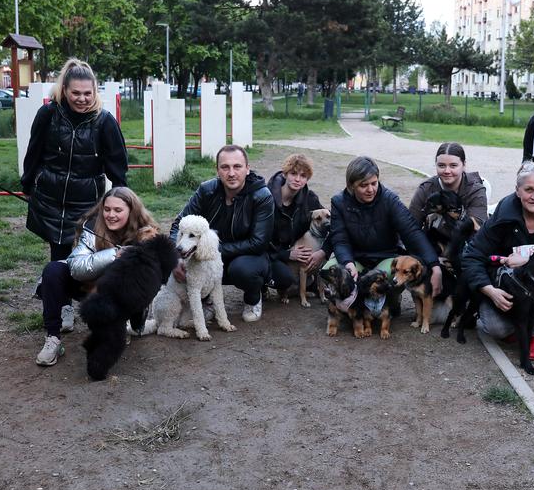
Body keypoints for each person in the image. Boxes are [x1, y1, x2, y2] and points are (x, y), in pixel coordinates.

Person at [22, 57, 128, 332]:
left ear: (95, 91)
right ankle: (62, 306)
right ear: (64, 90)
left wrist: (121, 199)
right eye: (76, 93)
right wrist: (28, 185)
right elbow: (34, 152)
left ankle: (90, 302)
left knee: (81, 254)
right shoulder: (48, 114)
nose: (82, 99)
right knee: (58, 252)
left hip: (86, 201)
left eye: (87, 93)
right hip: (51, 196)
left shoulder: (104, 121)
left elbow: (117, 165)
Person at [461, 162, 534, 362]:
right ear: (518, 191)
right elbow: (472, 255)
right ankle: (517, 328)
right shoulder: (503, 214)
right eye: (528, 190)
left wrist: (528, 260)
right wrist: (488, 290)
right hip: (504, 286)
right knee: (495, 329)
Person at [35, 187, 158, 366]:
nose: (111, 215)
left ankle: (125, 322)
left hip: (125, 293)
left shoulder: (146, 233)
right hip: (90, 285)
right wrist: (114, 254)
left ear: (131, 211)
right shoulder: (92, 227)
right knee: (53, 270)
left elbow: (154, 275)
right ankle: (53, 338)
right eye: (107, 209)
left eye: (118, 210)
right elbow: (76, 267)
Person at [171, 145, 274, 322]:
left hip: (248, 256)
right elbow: (178, 225)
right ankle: (207, 301)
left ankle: (253, 298)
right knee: (178, 262)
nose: (231, 173)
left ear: (247, 169)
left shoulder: (262, 196)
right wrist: (175, 257)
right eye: (225, 167)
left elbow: (258, 242)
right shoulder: (206, 190)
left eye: (237, 166)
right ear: (217, 170)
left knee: (242, 270)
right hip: (209, 255)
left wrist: (209, 250)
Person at [327, 156, 441, 294]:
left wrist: (434, 265)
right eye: (363, 185)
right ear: (351, 185)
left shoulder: (389, 199)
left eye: (374, 183)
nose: (370, 189)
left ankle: (391, 299)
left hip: (386, 256)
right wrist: (347, 263)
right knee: (329, 271)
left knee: (382, 279)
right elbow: (340, 239)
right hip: (355, 257)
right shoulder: (338, 202)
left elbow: (412, 232)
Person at [265, 153, 328, 297]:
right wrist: (287, 254)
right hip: (271, 254)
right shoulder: (267, 198)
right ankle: (261, 286)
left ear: (307, 179)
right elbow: (260, 239)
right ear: (285, 174)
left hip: (296, 255)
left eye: (303, 176)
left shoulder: (310, 199)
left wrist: (322, 252)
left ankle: (308, 285)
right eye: (293, 174)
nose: (298, 179)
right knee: (284, 278)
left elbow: (329, 222)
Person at [407, 142, 489, 226]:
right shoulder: (426, 189)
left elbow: (477, 227)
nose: (447, 171)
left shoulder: (475, 190)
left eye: (453, 165)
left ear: (464, 165)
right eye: (441, 165)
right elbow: (411, 226)